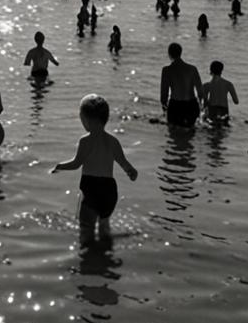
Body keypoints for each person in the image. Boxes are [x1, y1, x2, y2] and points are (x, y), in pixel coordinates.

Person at [51, 94, 139, 245]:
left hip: (91, 189)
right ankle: (106, 252)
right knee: (104, 226)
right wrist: (131, 172)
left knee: (86, 229)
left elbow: (76, 164)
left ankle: (89, 258)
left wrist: (59, 166)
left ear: (86, 120)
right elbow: (125, 164)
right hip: (109, 192)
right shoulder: (113, 141)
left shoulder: (85, 141)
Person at [160, 42, 204, 127]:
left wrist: (164, 106)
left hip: (175, 105)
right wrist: (201, 107)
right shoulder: (192, 69)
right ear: (181, 53)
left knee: (174, 135)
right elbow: (200, 91)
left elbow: (164, 93)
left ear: (169, 54)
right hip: (191, 105)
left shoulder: (167, 70)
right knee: (190, 133)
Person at [201, 60, 239, 125]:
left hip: (212, 110)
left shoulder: (206, 85)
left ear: (210, 70)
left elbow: (204, 104)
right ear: (222, 70)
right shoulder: (228, 84)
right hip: (224, 110)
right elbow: (236, 101)